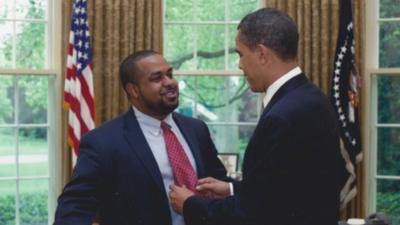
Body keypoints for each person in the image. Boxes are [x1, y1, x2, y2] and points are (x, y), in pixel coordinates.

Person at [169, 7, 346, 225]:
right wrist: (231, 188)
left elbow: (253, 213)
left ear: (262, 54)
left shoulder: (281, 117)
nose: (240, 65)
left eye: (241, 54)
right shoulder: (312, 97)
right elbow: (285, 186)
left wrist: (190, 204)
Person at [54, 50, 229, 225]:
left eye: (169, 74)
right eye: (157, 78)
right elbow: (75, 206)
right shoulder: (103, 142)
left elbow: (220, 183)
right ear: (134, 90)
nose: (170, 83)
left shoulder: (196, 129)